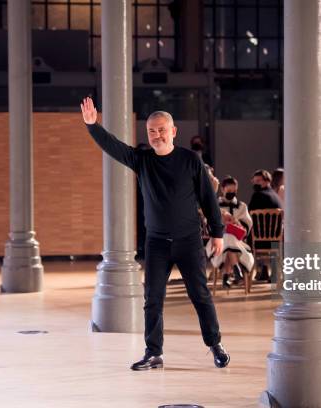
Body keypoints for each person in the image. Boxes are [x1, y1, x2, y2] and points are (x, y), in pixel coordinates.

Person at [80, 97, 230, 370]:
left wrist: (218, 233)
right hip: (157, 242)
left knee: (200, 295)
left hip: (189, 240)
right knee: (153, 299)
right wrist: (93, 126)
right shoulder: (142, 160)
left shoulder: (190, 160)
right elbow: (114, 147)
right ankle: (154, 352)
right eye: (151, 131)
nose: (157, 135)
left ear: (173, 131)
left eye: (162, 130)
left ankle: (215, 344)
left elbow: (208, 197)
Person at [211, 176, 254, 287]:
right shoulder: (215, 205)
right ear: (222, 190)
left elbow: (247, 225)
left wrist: (236, 222)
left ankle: (226, 276)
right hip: (217, 242)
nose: (232, 193)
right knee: (227, 238)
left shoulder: (242, 206)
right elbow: (209, 223)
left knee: (229, 239)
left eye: (234, 191)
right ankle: (236, 270)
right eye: (229, 191)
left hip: (239, 243)